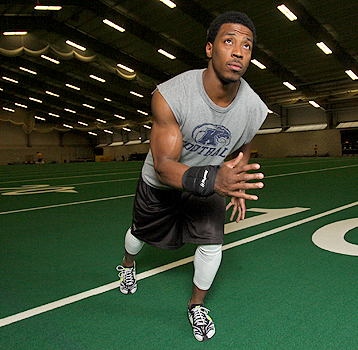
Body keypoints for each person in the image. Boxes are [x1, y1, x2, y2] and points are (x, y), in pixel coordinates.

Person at [115, 11, 267, 342]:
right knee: (139, 234)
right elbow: (164, 165)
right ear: (210, 49)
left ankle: (196, 305)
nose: (238, 51)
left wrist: (236, 183)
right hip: (162, 184)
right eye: (229, 41)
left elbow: (243, 147)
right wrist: (215, 181)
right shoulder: (171, 95)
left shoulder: (253, 107)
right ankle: (127, 265)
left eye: (247, 45)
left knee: (213, 245)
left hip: (211, 181)